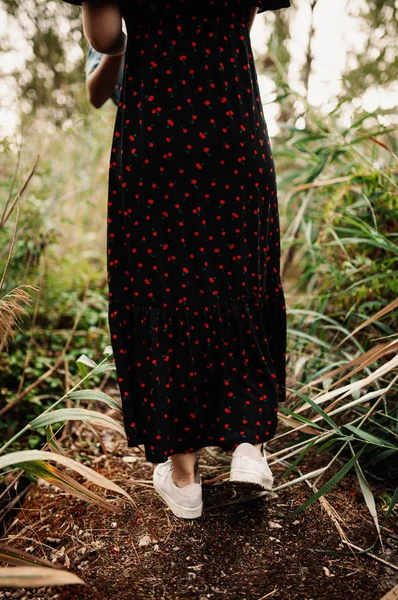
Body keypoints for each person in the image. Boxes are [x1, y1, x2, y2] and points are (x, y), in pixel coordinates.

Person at [62, 0, 290, 520]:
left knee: (164, 281)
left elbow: (103, 38)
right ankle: (248, 446)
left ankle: (185, 475)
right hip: (233, 120)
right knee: (241, 272)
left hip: (158, 127)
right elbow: (243, 19)